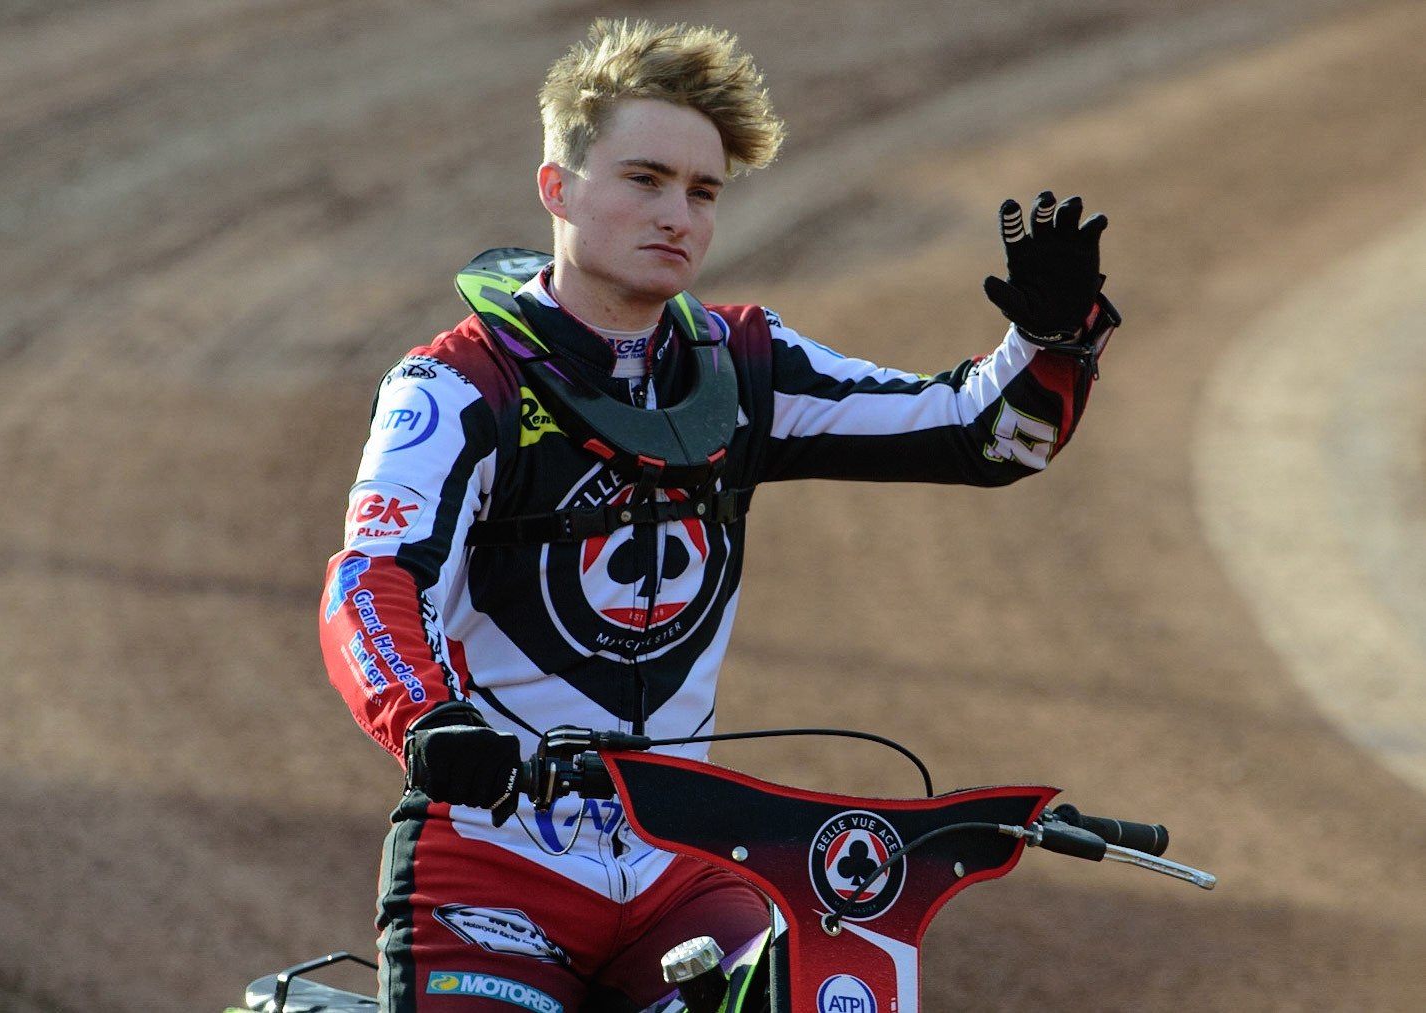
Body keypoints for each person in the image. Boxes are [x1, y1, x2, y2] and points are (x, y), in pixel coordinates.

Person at [318, 16, 1117, 1013]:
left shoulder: (743, 366)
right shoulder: (454, 384)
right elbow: (373, 576)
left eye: (702, 192)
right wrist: (427, 721)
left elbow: (980, 433)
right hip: (494, 863)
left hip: (684, 867)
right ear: (557, 188)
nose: (677, 216)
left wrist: (1048, 336)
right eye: (644, 179)